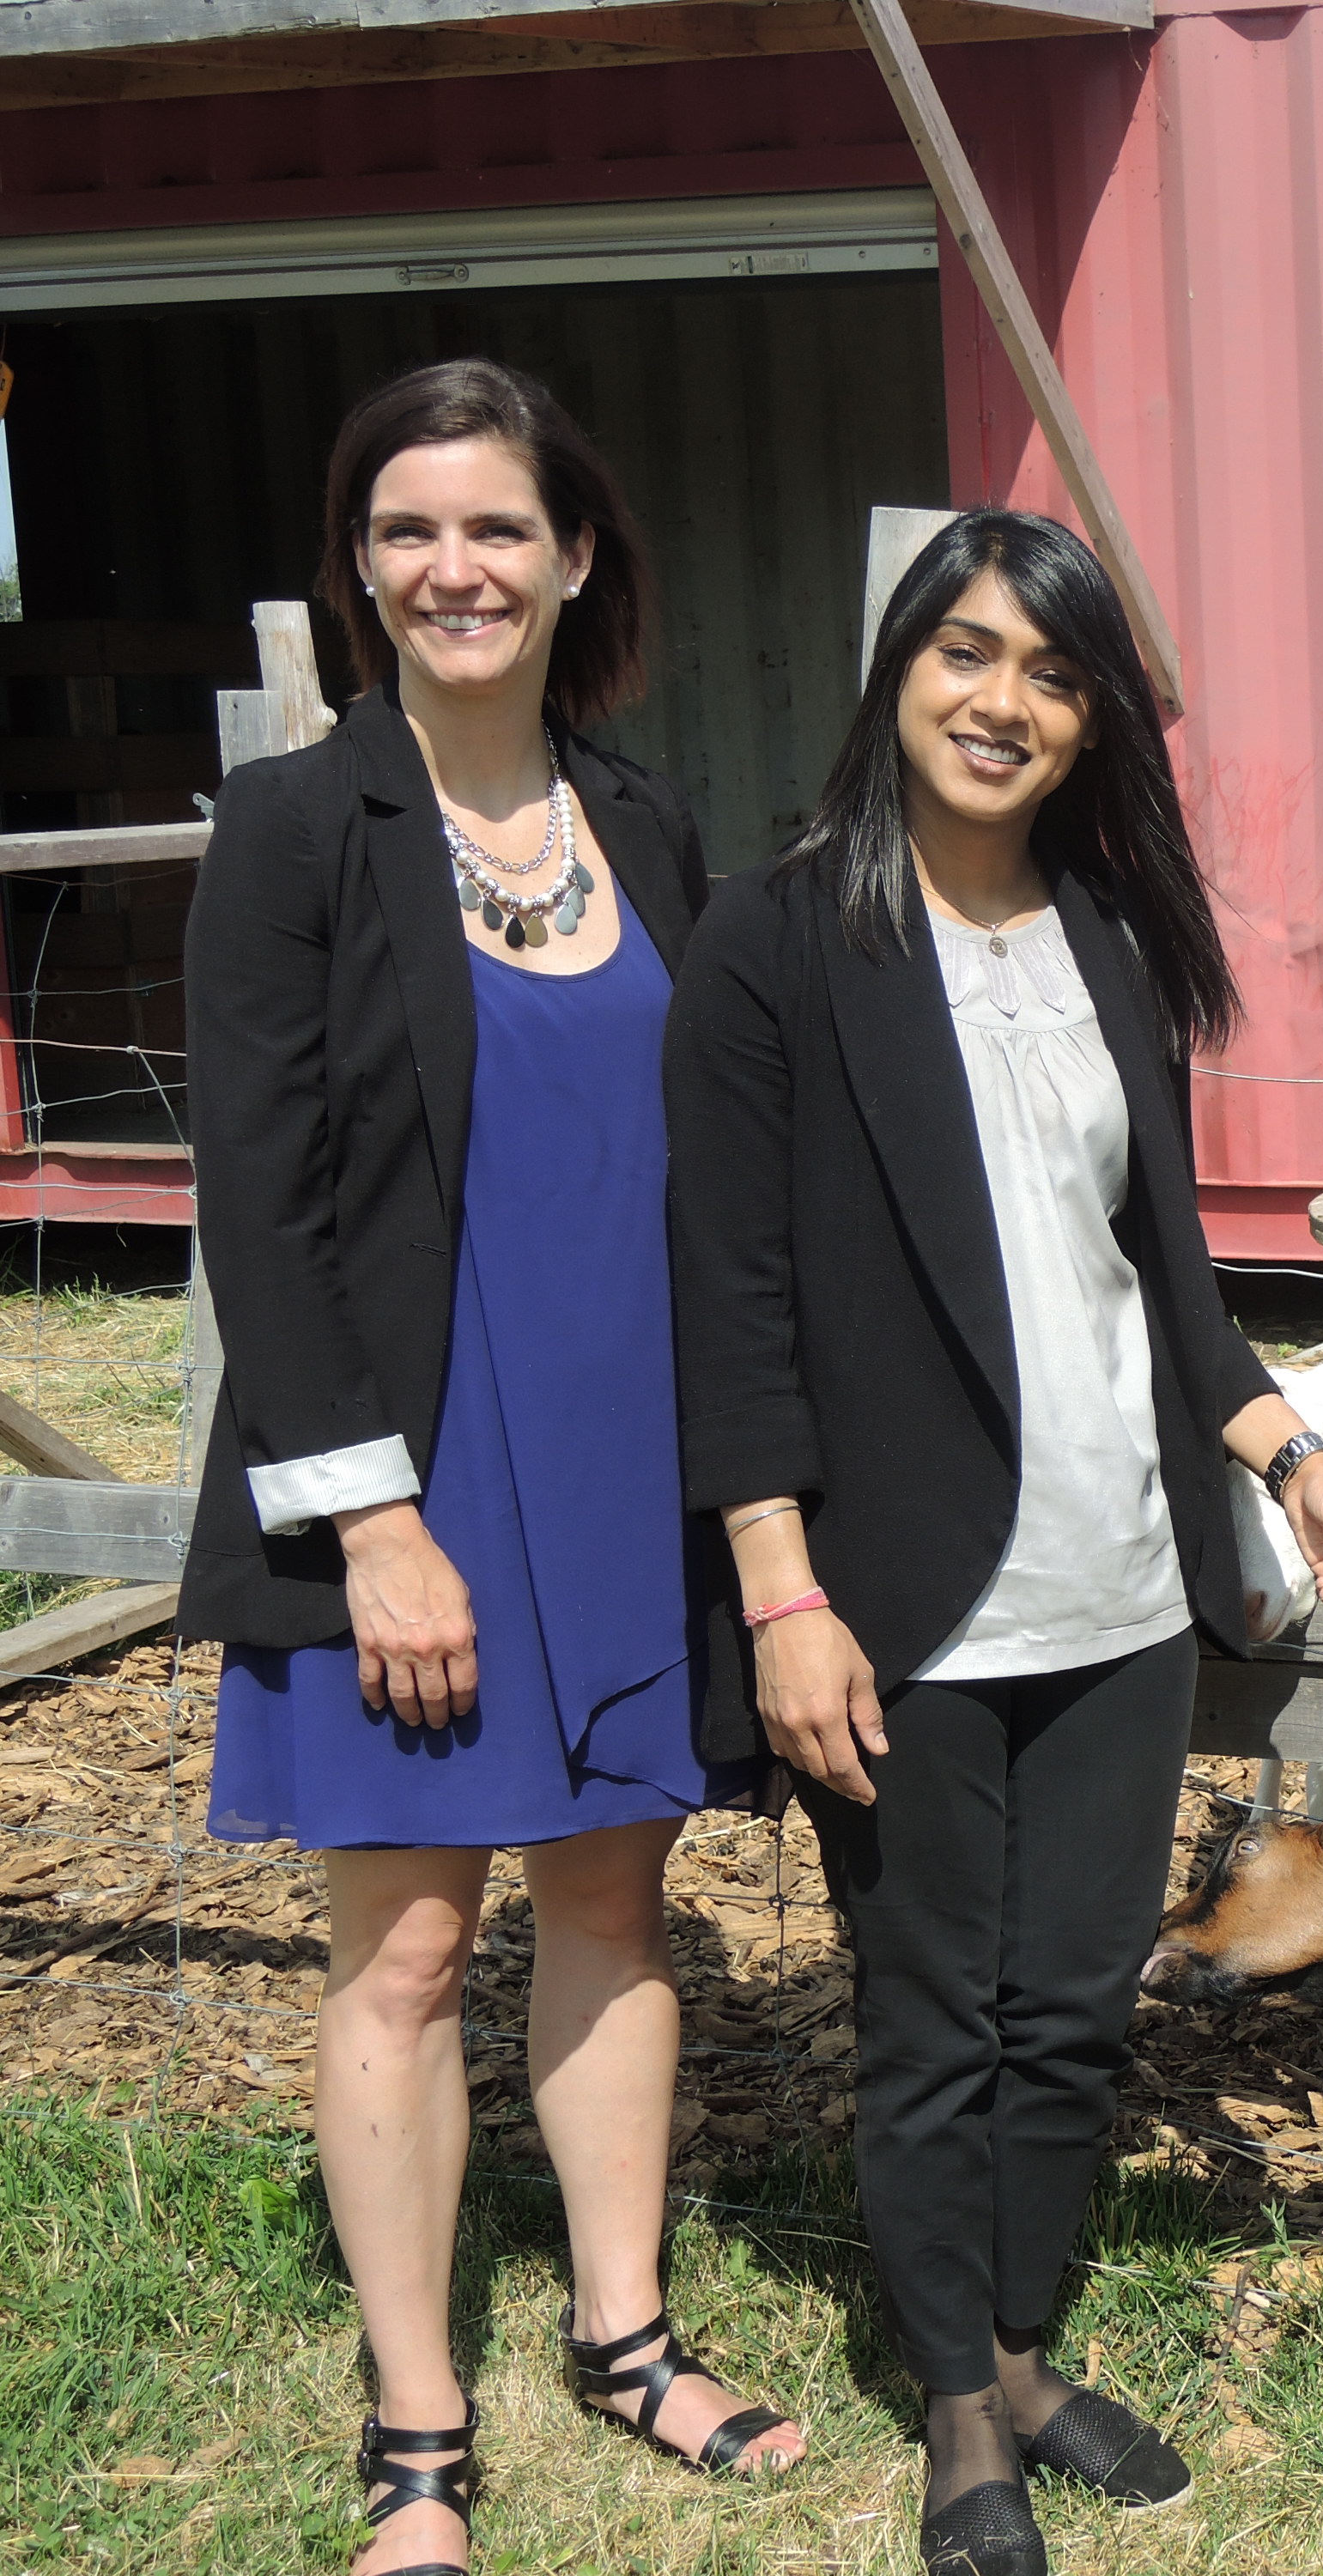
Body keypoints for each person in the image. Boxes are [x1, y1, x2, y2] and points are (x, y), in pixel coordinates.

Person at [665, 507, 1323, 2576]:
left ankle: (1022, 2338)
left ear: (1090, 726)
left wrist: (1287, 1454)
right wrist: (781, 1590)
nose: (1003, 701)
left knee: (1076, 2006)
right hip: (891, 1593)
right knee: (933, 2022)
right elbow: (723, 1297)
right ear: (898, 668)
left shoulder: (1104, 949)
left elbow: (1159, 1271)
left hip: (1118, 1583)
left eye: (1051, 673)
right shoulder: (776, 939)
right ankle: (959, 2416)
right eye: (968, 653)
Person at [186, 359, 804, 2576]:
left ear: (572, 561)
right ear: (364, 573)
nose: (458, 565)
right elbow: (256, 1209)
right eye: (410, 529)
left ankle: (626, 2337)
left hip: (625, 1464)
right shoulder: (288, 834)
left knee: (620, 1903)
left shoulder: (646, 829)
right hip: (411, 1487)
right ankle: (420, 2432)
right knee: (409, 1953)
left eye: (497, 527)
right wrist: (373, 1525)